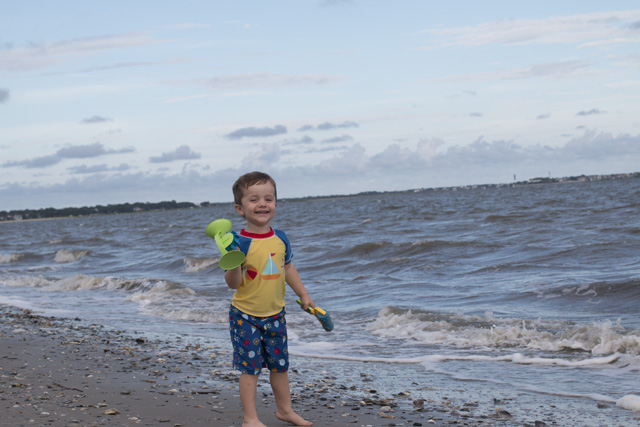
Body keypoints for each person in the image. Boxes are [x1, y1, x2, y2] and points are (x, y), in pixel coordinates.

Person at [224, 171, 315, 427]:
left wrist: (304, 295)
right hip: (245, 315)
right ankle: (250, 419)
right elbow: (233, 284)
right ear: (239, 208)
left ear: (275, 203)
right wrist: (234, 263)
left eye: (268, 198)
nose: (262, 204)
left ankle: (285, 411)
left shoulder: (281, 238)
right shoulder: (238, 243)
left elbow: (288, 269)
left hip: (276, 314)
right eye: (253, 200)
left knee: (280, 366)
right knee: (249, 369)